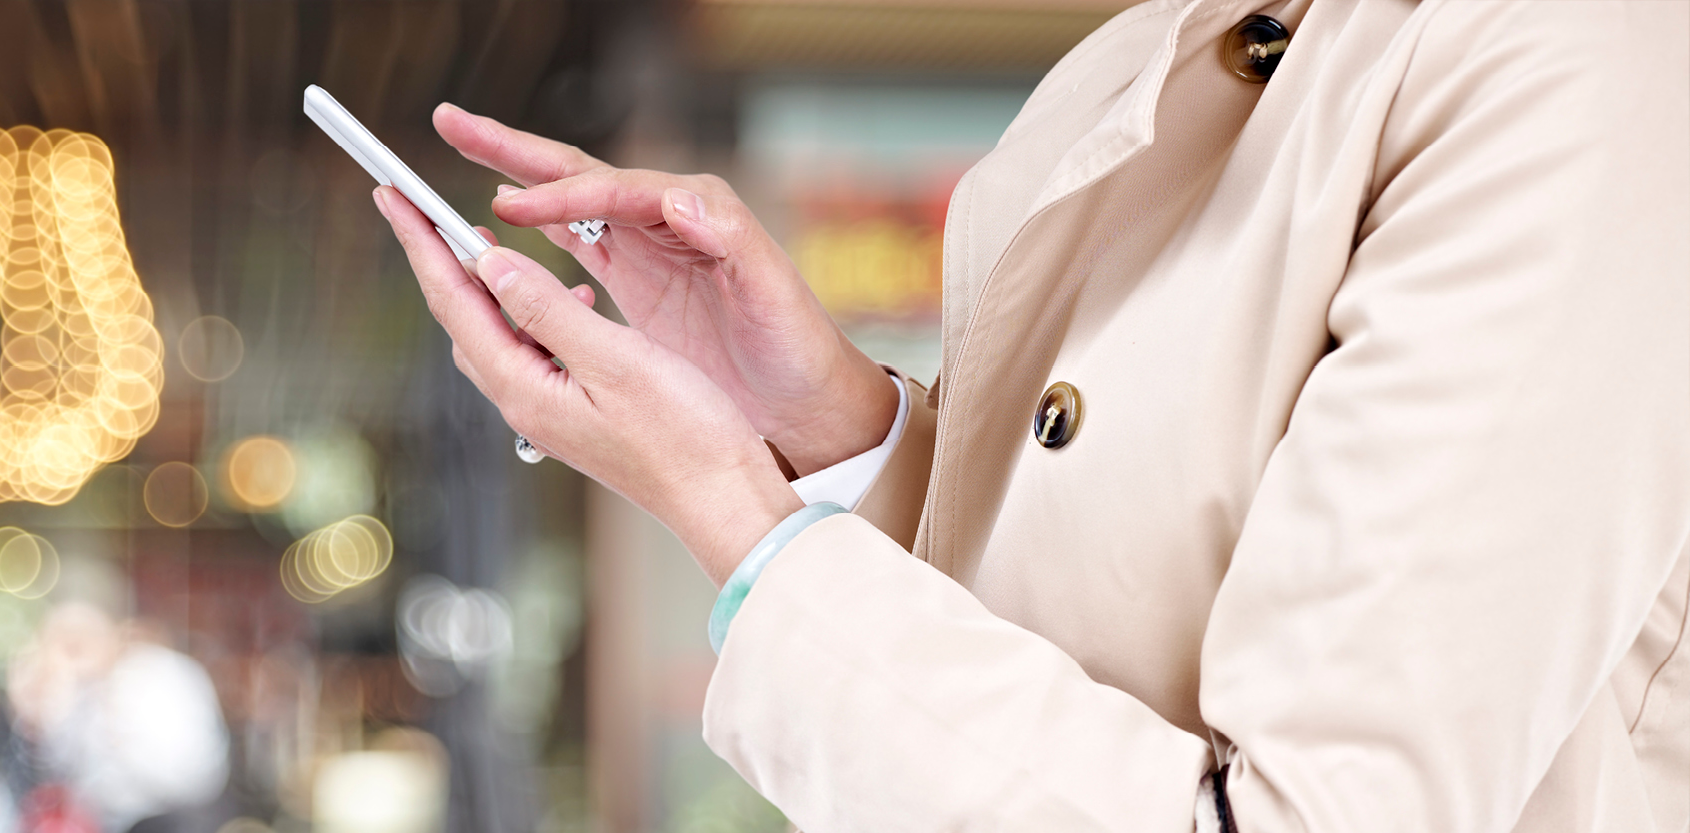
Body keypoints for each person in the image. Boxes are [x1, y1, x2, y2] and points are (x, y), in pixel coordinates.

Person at [373, 1, 1689, 830]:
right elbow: (1105, 617)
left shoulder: (1565, 59)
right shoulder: (1136, 62)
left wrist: (735, 514)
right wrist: (834, 425)